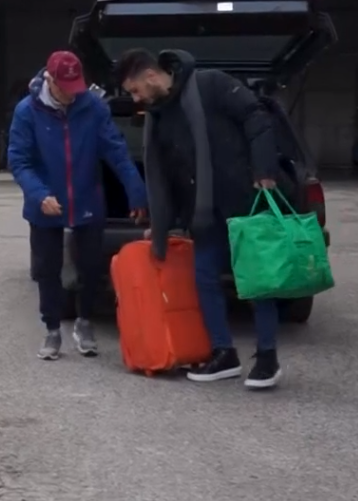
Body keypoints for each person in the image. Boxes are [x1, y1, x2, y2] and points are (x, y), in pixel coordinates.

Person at [114, 48, 291, 389]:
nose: (135, 98)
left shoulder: (211, 84)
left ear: (151, 77)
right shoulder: (159, 116)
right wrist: (163, 223)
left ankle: (267, 357)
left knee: (258, 281)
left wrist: (264, 167)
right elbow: (168, 175)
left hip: (244, 201)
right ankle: (224, 353)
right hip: (204, 211)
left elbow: (255, 115)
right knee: (204, 278)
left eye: (135, 89)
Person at [8, 51, 147, 361]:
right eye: (66, 87)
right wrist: (39, 194)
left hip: (87, 200)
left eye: (76, 86)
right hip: (44, 204)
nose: (72, 94)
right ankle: (52, 329)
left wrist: (137, 192)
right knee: (48, 270)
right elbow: (19, 160)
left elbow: (117, 151)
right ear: (50, 80)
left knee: (90, 268)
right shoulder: (27, 111)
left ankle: (84, 322)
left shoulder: (93, 107)